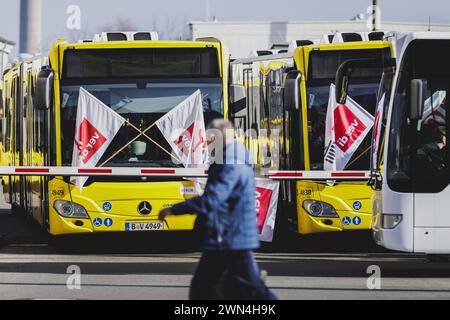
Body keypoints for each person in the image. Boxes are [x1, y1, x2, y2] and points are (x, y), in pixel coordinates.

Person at [159, 119, 277, 300]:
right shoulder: (232, 160)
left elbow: (213, 199)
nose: (205, 142)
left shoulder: (230, 164)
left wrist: (175, 209)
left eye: (207, 137)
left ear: (215, 136)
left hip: (230, 238)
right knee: (207, 288)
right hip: (228, 236)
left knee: (251, 290)